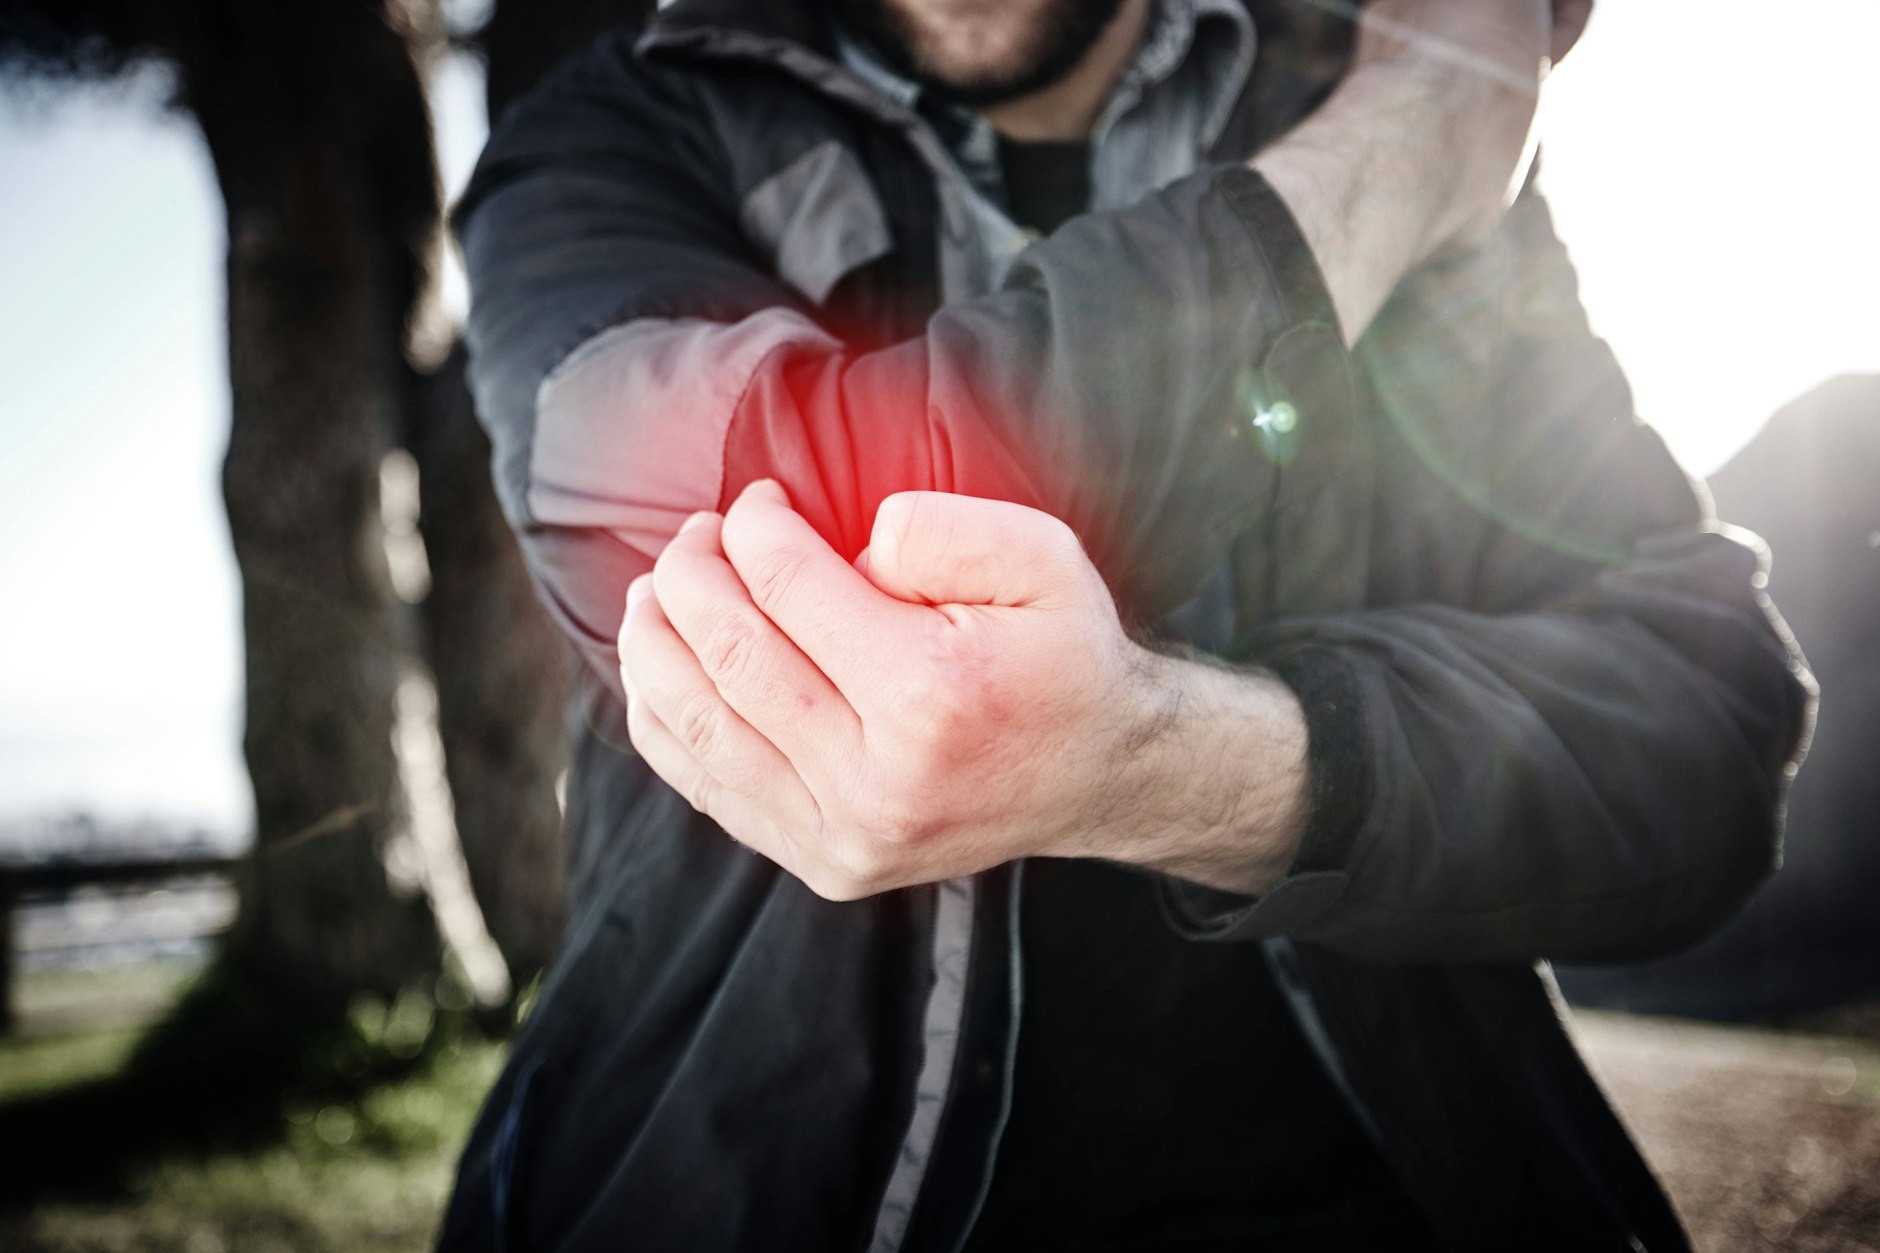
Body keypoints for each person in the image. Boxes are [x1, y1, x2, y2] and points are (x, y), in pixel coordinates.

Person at [438, 0, 1813, 1248]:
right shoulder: (604, 143)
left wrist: (1191, 767)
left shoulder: (1347, 96)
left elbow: (1709, 722)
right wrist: (1406, 152)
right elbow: (858, 547)